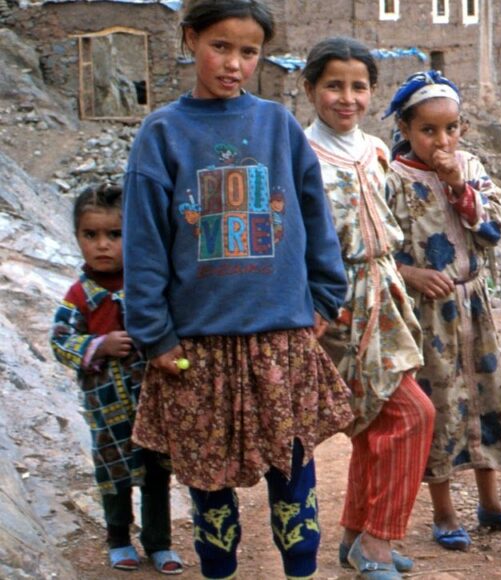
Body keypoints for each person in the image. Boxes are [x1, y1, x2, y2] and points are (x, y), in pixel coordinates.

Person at [122, 1, 353, 578]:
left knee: (293, 473)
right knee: (208, 478)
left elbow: (314, 215)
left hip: (279, 336)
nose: (233, 63)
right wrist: (155, 334)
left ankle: (301, 568)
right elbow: (145, 242)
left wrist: (325, 295)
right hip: (197, 348)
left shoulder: (276, 126)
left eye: (248, 51)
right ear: (190, 39)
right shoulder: (163, 134)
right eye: (219, 46)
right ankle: (217, 570)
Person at [383, 70, 501, 552]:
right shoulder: (392, 177)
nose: (442, 140)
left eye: (451, 128)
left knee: (485, 396)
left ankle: (491, 503)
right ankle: (445, 512)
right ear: (406, 130)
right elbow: (380, 251)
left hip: (474, 305)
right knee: (442, 405)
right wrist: (412, 276)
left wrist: (459, 188)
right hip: (427, 315)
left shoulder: (470, 167)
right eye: (428, 130)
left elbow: (492, 230)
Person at [302, 37, 437, 579]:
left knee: (378, 419)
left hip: (382, 298)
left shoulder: (376, 151)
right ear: (309, 87)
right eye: (333, 85)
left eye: (359, 86)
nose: (346, 98)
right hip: (336, 305)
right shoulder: (301, 155)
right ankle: (377, 544)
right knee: (410, 415)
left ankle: (358, 536)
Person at [51, 184, 184, 575]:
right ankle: (119, 540)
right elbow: (60, 342)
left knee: (156, 473)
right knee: (113, 476)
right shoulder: (79, 295)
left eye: (115, 234)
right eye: (90, 235)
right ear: (77, 237)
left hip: (151, 405)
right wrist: (99, 345)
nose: (102, 246)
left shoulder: (147, 288)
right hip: (105, 410)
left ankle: (159, 543)